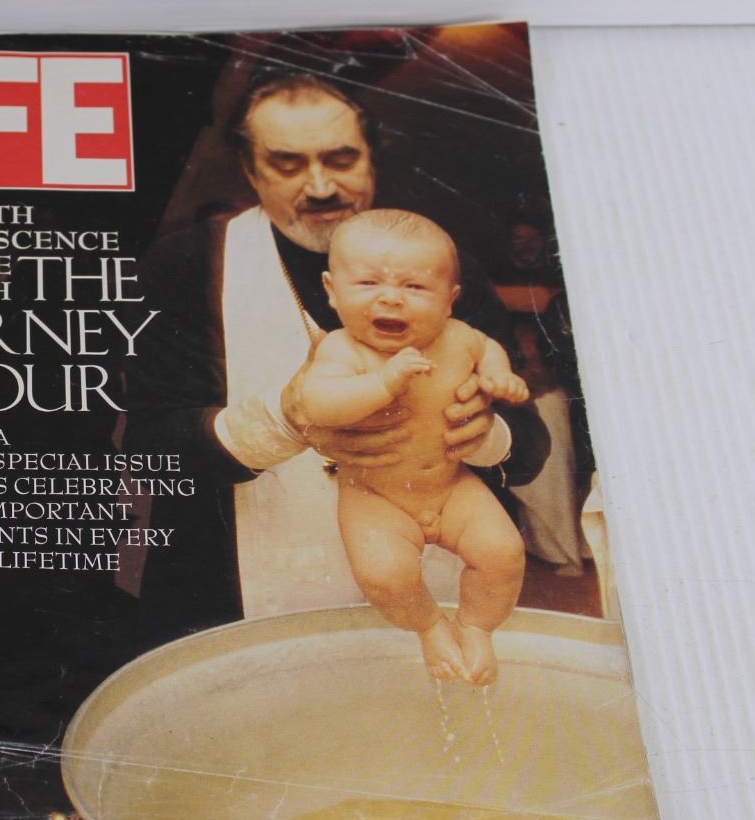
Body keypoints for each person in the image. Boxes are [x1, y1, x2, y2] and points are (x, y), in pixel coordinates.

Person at [123, 69, 548, 636]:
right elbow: (151, 448)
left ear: (371, 159)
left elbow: (530, 446)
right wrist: (282, 421)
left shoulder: (442, 265)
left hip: (430, 564)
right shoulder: (184, 266)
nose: (321, 186)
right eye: (288, 164)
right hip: (244, 588)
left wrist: (485, 431)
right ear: (250, 169)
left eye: (341, 160)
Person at [297, 210, 530, 684]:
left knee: (504, 553)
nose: (391, 298)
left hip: (452, 486)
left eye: (415, 286)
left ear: (449, 299)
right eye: (368, 283)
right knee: (384, 575)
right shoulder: (341, 349)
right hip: (375, 496)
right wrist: (383, 382)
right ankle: (428, 627)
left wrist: (497, 374)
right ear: (332, 290)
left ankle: (476, 627)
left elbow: (487, 348)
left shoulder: (460, 337)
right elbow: (317, 401)